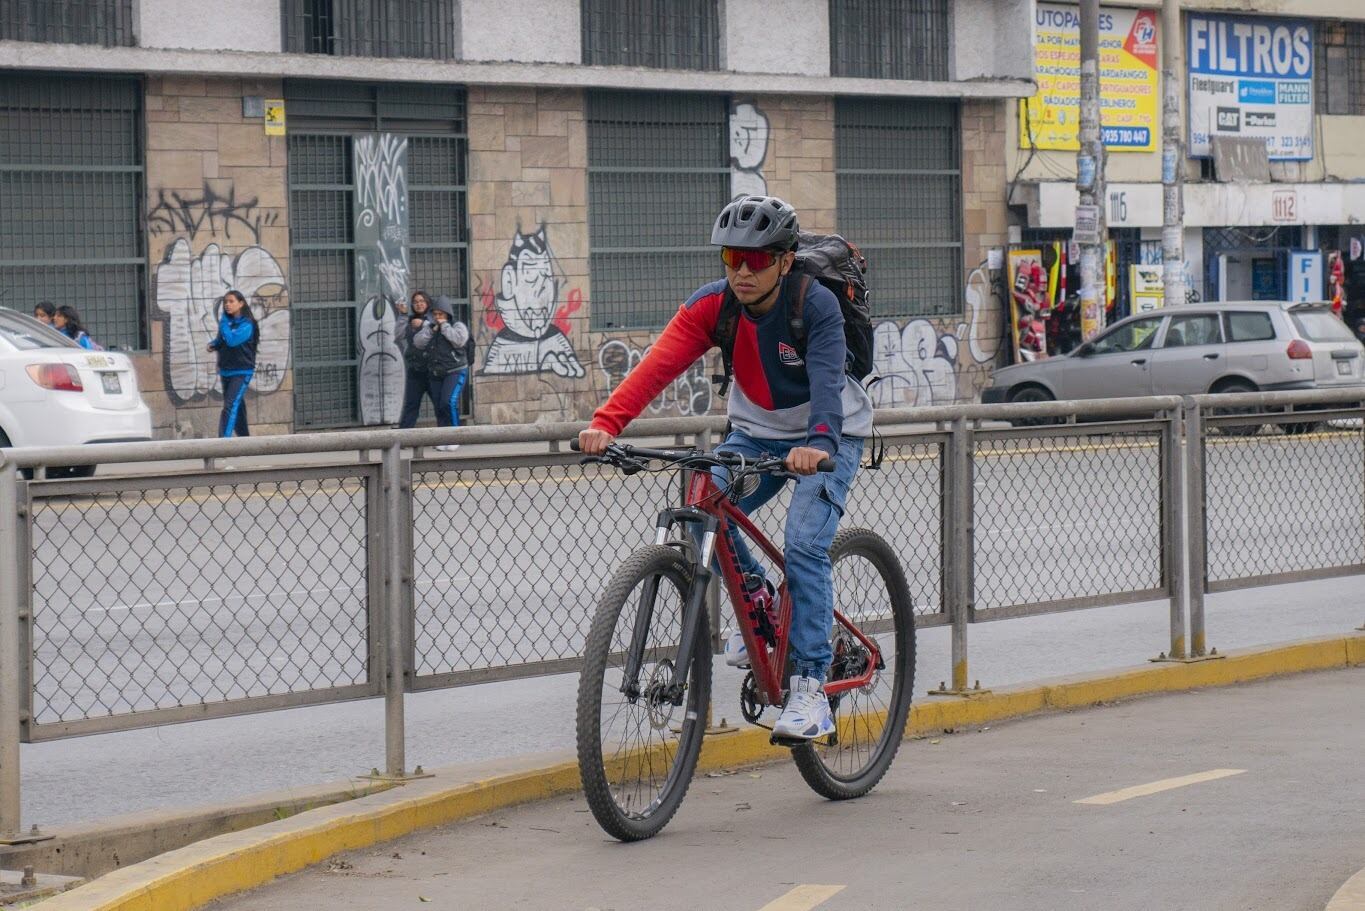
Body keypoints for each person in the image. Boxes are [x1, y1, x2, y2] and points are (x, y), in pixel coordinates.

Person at [577, 195, 871, 742]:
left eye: (757, 260)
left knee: (805, 543)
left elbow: (828, 386)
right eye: (732, 258)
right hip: (756, 433)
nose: (742, 272)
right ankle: (758, 602)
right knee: (699, 507)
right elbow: (657, 366)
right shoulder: (714, 307)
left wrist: (820, 444)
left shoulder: (816, 304)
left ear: (785, 261)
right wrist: (607, 422)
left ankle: (810, 688)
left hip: (827, 436)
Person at [414, 295, 470, 451]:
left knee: (448, 402)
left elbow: (459, 340)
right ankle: (442, 437)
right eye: (436, 314)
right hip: (436, 373)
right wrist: (432, 330)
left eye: (441, 314)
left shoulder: (457, 326)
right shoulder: (430, 327)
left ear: (447, 314)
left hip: (455, 371)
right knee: (439, 405)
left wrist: (445, 327)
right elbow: (418, 342)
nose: (438, 317)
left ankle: (454, 437)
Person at [206, 289, 259, 438]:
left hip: (241, 372)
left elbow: (232, 340)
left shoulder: (247, 324)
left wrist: (223, 322)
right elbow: (222, 340)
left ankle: (224, 443)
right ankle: (244, 439)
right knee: (237, 405)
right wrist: (213, 345)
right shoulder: (228, 322)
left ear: (241, 303)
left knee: (230, 406)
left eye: (231, 301)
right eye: (225, 302)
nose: (227, 305)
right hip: (226, 370)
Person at [398, 291, 437, 429]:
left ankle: (447, 436)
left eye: (422, 301)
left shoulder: (434, 317)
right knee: (411, 404)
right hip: (415, 369)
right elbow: (398, 335)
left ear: (427, 302)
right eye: (415, 302)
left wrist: (423, 323)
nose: (419, 304)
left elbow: (438, 331)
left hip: (433, 370)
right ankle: (404, 437)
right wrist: (403, 316)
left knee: (440, 404)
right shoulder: (409, 319)